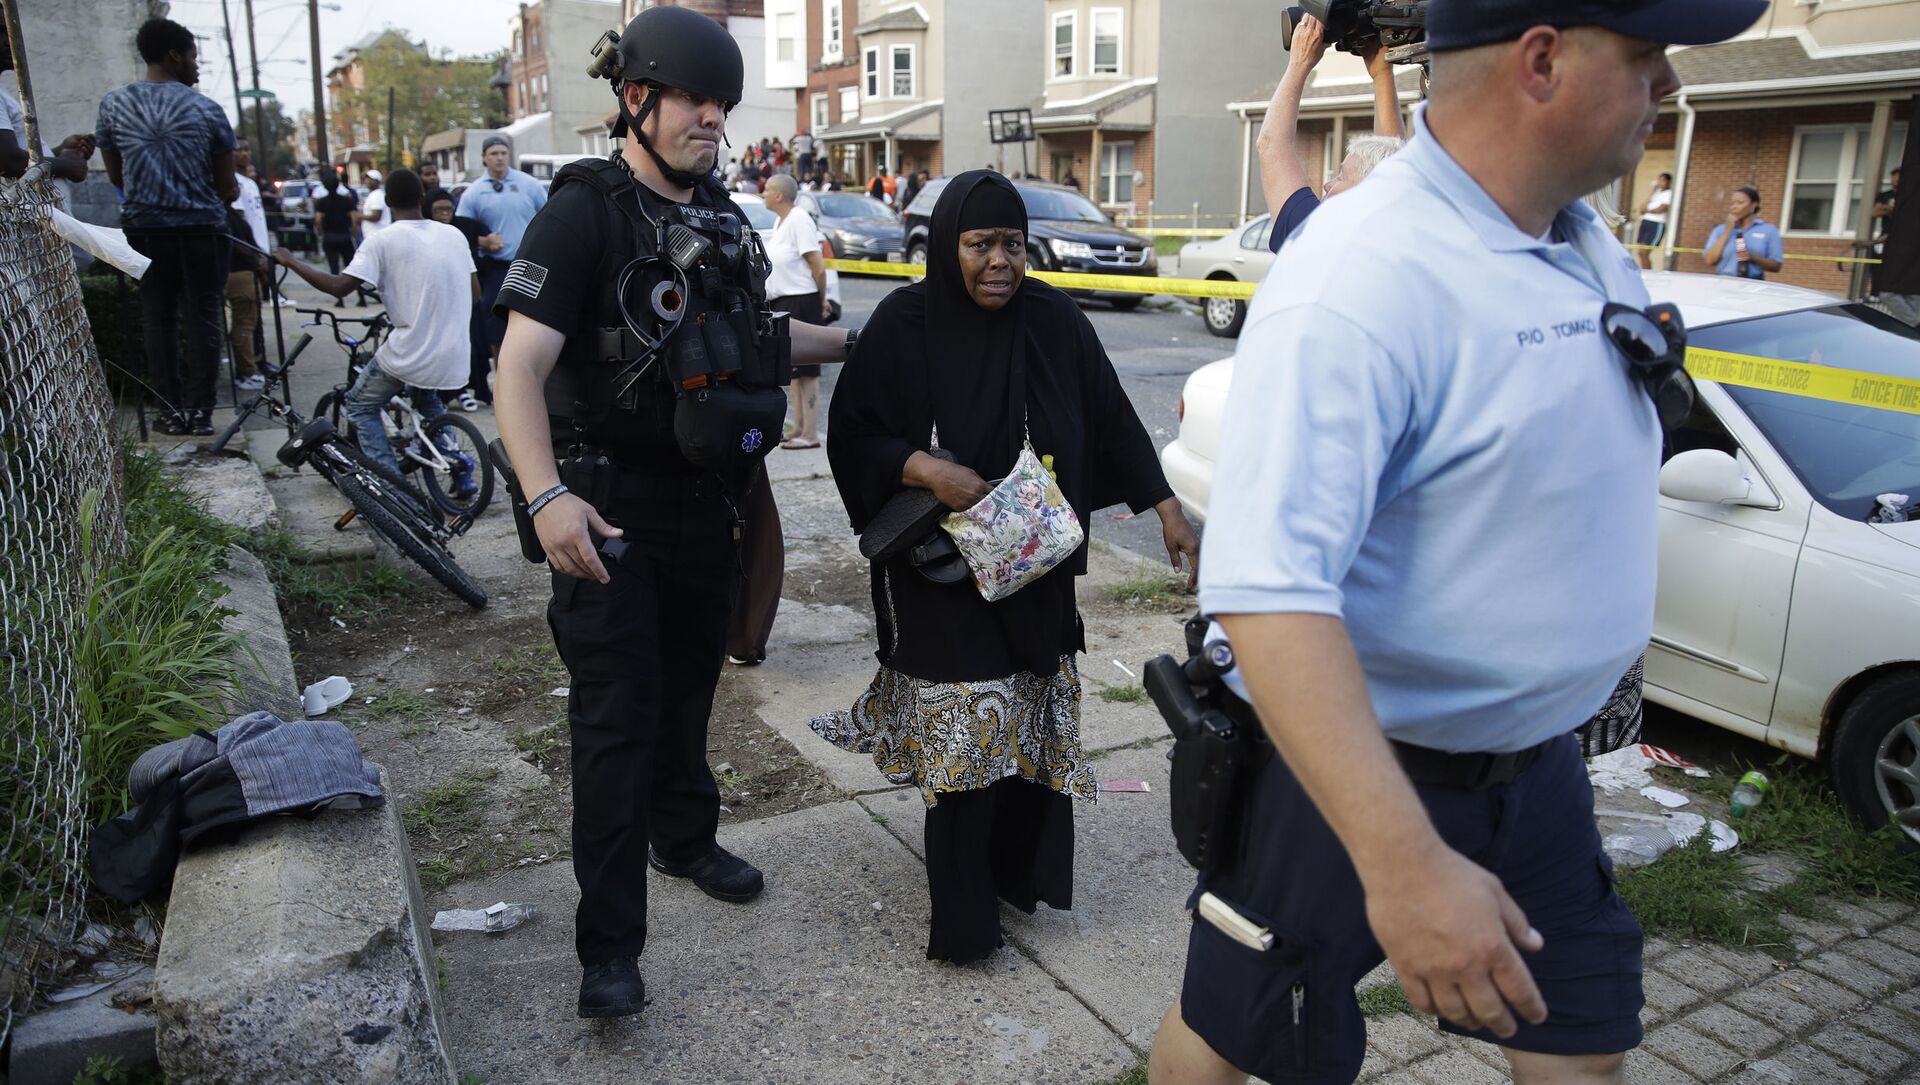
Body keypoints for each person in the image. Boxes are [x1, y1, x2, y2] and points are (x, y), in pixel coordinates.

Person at [1145, 1, 1765, 1083]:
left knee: (1582, 1042)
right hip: (1354, 775)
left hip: (1538, 769)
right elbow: (1268, 591)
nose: (1668, 85)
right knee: (1236, 1031)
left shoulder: (1581, 242)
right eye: (1645, 55)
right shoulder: (1361, 278)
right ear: (1542, 60)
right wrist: (1404, 863)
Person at [490, 4, 856, 1021]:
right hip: (607, 513)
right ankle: (609, 948)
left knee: (691, 688)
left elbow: (764, 341)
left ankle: (684, 838)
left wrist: (867, 338)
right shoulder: (584, 213)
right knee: (616, 722)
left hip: (709, 503)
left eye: (721, 104)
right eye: (694, 99)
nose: (712, 120)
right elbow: (515, 367)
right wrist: (546, 496)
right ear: (638, 99)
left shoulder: (724, 217)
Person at [812, 170, 1199, 966]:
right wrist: (928, 470)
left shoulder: (1053, 317)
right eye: (980, 244)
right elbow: (852, 432)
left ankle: (1012, 878)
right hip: (942, 576)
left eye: (1013, 245)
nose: (1000, 262)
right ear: (946, 246)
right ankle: (964, 926)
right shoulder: (904, 323)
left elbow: (1111, 412)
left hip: (1034, 568)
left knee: (1022, 722)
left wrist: (1165, 505)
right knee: (964, 741)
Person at [272, 168, 479, 494]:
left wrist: (290, 261)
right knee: (428, 405)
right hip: (453, 350)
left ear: (387, 201)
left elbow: (339, 287)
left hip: (411, 351)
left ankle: (389, 485)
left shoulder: (382, 240)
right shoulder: (453, 235)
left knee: (359, 405)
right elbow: (475, 293)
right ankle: (461, 470)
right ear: (422, 198)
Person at [96, 17, 239, 438]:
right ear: (174, 56)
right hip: (202, 230)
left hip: (145, 230)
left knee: (157, 319)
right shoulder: (207, 109)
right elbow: (226, 186)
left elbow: (117, 175)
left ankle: (169, 412)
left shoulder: (113, 105)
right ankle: (202, 412)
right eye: (194, 56)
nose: (197, 66)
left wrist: (152, 195)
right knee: (204, 317)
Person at [1258, 12, 1404, 253]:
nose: (1327, 184)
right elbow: (1393, 172)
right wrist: (1382, 73)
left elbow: (1271, 145)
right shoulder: (1397, 242)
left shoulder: (1323, 237)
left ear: (1368, 195)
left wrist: (1299, 63)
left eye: (1342, 177)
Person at [457, 134, 547, 411]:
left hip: (530, 265)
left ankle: (537, 383)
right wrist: (483, 241)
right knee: (497, 328)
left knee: (535, 319)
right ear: (484, 158)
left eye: (503, 153)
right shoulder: (474, 192)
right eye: (493, 153)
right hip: (497, 268)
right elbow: (461, 232)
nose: (499, 158)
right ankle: (503, 383)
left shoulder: (528, 184)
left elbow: (549, 218)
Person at [426, 186, 493, 411]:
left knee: (472, 346)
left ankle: (472, 389)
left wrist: (489, 241)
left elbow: (486, 238)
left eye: (449, 209)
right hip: (438, 300)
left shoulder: (463, 228)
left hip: (464, 298)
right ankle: (448, 394)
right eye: (439, 209)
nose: (445, 214)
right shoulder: (425, 233)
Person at [225, 137, 272, 393]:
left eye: (247, 149)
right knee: (246, 321)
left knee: (255, 319)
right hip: (245, 264)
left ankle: (259, 362)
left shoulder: (250, 183)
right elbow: (237, 231)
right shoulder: (230, 183)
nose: (244, 154)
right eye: (238, 150)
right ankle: (249, 368)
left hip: (259, 256)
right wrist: (255, 258)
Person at [1702, 185, 1782, 281]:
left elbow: (1776, 266)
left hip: (1753, 282)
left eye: (1740, 203)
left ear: (1754, 204)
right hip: (1724, 281)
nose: (1734, 207)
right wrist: (1727, 230)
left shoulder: (1769, 230)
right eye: (1732, 203)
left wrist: (1753, 257)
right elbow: (1709, 260)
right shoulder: (1720, 230)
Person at [312, 174, 360, 308]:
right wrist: (353, 233)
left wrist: (320, 233)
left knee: (334, 268)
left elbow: (318, 220)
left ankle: (340, 299)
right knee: (353, 268)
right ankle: (361, 296)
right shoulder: (346, 200)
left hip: (329, 237)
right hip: (344, 236)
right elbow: (354, 219)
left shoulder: (322, 202)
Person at [1634, 171, 1672, 269]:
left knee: (1645, 252)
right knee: (1640, 252)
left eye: (1663, 180)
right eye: (1659, 180)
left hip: (1656, 224)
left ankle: (1648, 273)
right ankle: (1644, 271)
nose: (1660, 182)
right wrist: (1651, 193)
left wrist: (1647, 210)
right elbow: (1642, 208)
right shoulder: (1656, 193)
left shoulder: (1669, 193)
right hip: (1645, 222)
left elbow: (1661, 209)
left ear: (1668, 182)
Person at [360, 168, 387, 240]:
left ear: (377, 181)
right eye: (366, 179)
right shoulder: (373, 195)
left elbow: (376, 216)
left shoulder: (377, 195)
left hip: (377, 235)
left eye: (371, 179)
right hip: (373, 236)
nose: (367, 181)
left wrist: (358, 216)